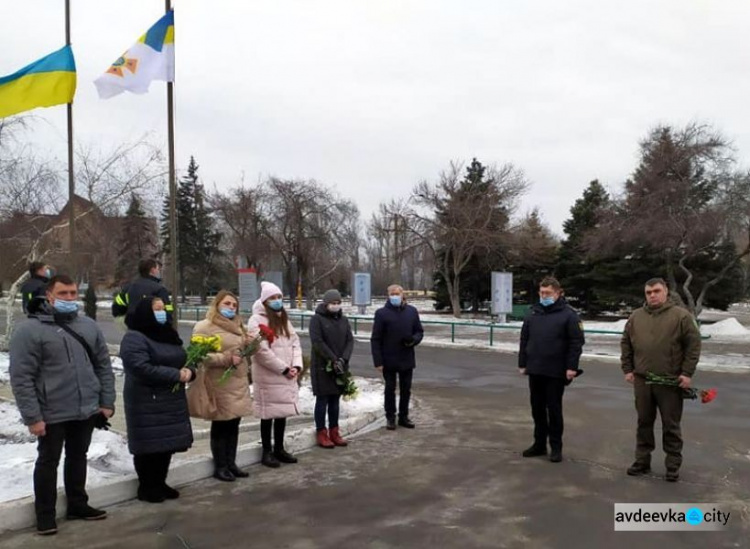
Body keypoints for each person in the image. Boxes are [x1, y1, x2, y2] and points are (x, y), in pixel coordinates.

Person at [9, 274, 115, 536]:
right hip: (51, 410)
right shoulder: (29, 330)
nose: (69, 298)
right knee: (48, 461)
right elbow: (22, 377)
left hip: (86, 407)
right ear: (49, 295)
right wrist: (33, 417)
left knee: (78, 457)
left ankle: (78, 504)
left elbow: (103, 365)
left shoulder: (88, 326)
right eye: (63, 294)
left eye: (72, 293)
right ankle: (45, 515)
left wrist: (106, 400)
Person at [621, 277, 701, 482]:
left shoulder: (681, 316)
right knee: (644, 423)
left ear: (665, 291)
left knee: (671, 425)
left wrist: (686, 373)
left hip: (670, 382)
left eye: (656, 291)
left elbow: (693, 346)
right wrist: (628, 368)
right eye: (648, 292)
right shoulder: (636, 316)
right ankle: (642, 462)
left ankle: (673, 466)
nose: (652, 295)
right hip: (642, 380)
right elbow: (626, 343)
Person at [119, 297, 195, 503]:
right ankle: (147, 486)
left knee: (165, 444)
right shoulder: (135, 337)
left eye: (163, 308)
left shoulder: (168, 334)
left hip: (170, 399)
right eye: (157, 309)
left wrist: (190, 371)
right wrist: (176, 375)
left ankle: (160, 482)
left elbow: (183, 358)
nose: (162, 312)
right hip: (146, 399)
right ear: (145, 312)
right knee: (149, 445)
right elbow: (140, 367)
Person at [518, 277, 585, 463]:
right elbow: (524, 339)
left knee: (553, 410)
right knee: (537, 409)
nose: (543, 296)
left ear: (558, 293)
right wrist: (522, 363)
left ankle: (556, 447)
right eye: (541, 292)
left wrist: (572, 367)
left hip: (556, 371)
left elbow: (576, 342)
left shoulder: (569, 315)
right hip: (535, 369)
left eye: (547, 293)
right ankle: (539, 444)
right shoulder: (533, 313)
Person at [189, 290, 253, 482]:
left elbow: (245, 352)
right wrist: (225, 359)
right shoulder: (205, 326)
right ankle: (220, 466)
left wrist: (252, 344)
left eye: (234, 305)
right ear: (217, 304)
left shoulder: (239, 326)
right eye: (227, 304)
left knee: (234, 423)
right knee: (221, 424)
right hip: (219, 382)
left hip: (238, 381)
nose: (231, 308)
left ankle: (231, 463)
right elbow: (198, 354)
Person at [247, 281, 302, 468]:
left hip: (286, 374)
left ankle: (279, 448)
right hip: (269, 376)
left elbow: (295, 343)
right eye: (273, 298)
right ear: (264, 301)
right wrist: (284, 369)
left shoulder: (283, 320)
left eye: (279, 297)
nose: (277, 301)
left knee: (281, 413)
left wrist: (296, 365)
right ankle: (267, 451)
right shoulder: (256, 320)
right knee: (267, 414)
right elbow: (260, 351)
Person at [371, 284, 424, 431]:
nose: (395, 296)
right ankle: (390, 417)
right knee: (390, 389)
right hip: (388, 359)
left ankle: (403, 416)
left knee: (406, 389)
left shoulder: (411, 312)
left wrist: (413, 340)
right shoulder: (381, 313)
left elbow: (419, 331)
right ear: (388, 295)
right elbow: (375, 339)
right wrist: (378, 361)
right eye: (392, 294)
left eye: (397, 294)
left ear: (402, 295)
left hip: (406, 357)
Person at [309, 289, 354, 448]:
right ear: (326, 304)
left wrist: (343, 359)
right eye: (332, 303)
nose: (335, 306)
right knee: (322, 400)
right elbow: (317, 342)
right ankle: (321, 432)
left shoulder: (344, 320)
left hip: (340, 367)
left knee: (335, 400)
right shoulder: (317, 319)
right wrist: (333, 359)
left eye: (338, 303)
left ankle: (335, 432)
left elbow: (350, 340)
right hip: (323, 367)